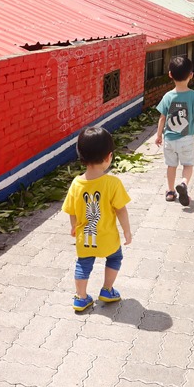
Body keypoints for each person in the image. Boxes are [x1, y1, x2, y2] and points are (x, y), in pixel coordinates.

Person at [62, 126, 132, 311]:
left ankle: (81, 297)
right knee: (115, 258)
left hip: (85, 237)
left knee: (83, 264)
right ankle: (107, 290)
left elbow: (71, 210)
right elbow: (121, 210)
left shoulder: (76, 184)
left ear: (81, 155)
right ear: (109, 157)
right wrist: (127, 231)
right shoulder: (113, 183)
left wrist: (73, 226)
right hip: (107, 237)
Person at [155, 56, 194, 206]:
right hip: (186, 139)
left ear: (170, 74)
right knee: (188, 165)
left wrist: (159, 135)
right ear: (191, 75)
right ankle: (183, 184)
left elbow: (162, 118)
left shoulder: (167, 97)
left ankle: (171, 191)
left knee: (171, 166)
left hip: (169, 140)